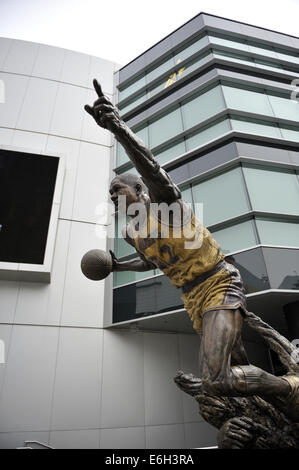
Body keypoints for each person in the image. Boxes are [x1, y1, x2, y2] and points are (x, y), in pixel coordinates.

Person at [85, 79, 299, 408]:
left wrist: (118, 128)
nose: (113, 196)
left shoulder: (165, 206)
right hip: (192, 298)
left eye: (118, 189)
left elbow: (150, 164)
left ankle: (290, 387)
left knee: (216, 378)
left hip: (218, 282)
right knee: (236, 370)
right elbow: (152, 261)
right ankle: (278, 410)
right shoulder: (131, 232)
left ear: (140, 190)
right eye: (109, 194)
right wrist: (118, 265)